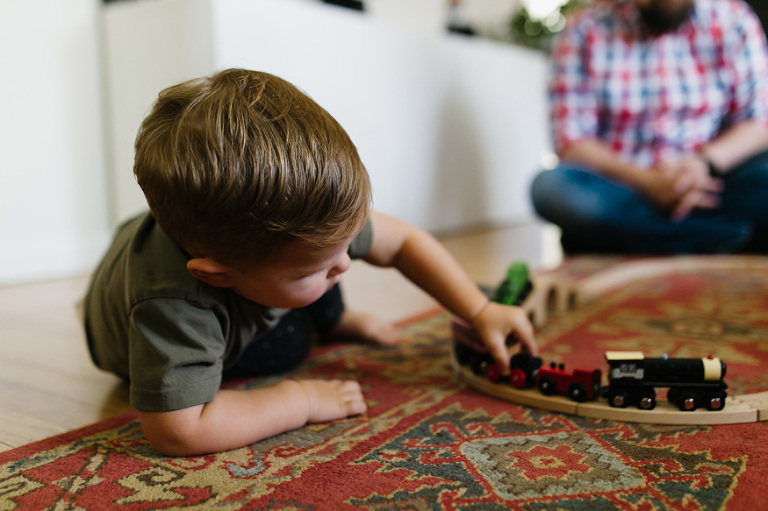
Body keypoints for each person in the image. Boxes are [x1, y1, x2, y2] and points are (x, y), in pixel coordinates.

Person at [83, 68, 537, 457]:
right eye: (314, 265)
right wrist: (297, 400)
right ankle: (317, 315)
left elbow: (404, 244)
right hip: (129, 342)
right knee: (291, 344)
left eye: (347, 243)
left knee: (319, 271)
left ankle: (329, 313)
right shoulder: (176, 305)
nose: (346, 265)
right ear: (218, 274)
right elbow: (178, 431)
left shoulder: (306, 222)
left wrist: (479, 309)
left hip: (241, 274)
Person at [530, 0, 768, 254]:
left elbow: (759, 124)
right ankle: (720, 237)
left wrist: (702, 164)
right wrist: (650, 182)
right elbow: (571, 142)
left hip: (709, 183)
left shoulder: (734, 19)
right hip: (625, 188)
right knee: (551, 187)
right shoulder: (584, 29)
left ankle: (641, 239)